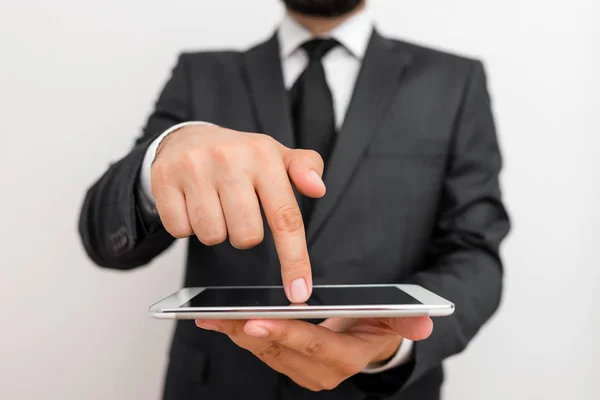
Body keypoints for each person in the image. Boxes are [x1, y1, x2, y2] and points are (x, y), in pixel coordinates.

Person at [79, 0, 510, 398]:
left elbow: (474, 252)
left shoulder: (454, 81)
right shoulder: (201, 75)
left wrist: (393, 342)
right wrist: (157, 166)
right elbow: (105, 239)